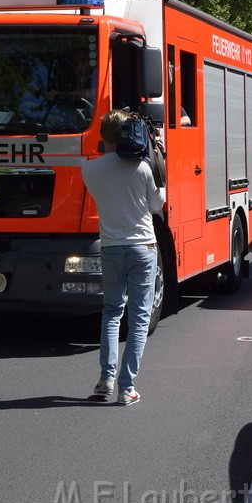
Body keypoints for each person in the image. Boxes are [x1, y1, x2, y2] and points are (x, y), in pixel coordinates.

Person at [81, 110, 166, 405]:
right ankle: (126, 387)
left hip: (111, 248)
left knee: (111, 312)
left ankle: (106, 378)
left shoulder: (89, 170)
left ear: (104, 136)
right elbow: (157, 205)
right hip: (143, 248)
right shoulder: (142, 168)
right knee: (139, 317)